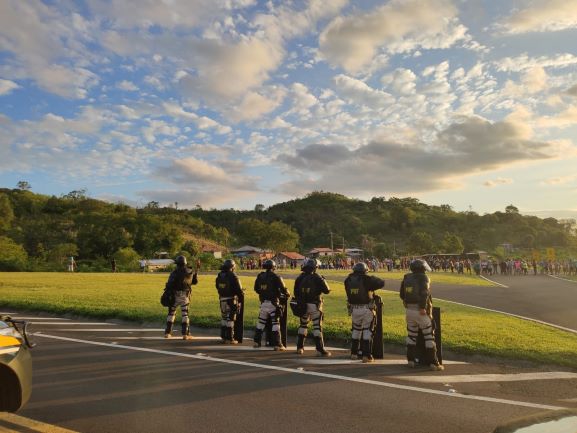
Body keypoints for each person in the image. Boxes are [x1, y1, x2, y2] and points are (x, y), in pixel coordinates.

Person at [399, 259, 444, 371]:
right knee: (429, 336)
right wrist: (423, 307)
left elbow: (401, 294)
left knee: (411, 336)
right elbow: (425, 293)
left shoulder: (406, 277)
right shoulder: (424, 278)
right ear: (422, 268)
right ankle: (434, 362)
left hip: (409, 310)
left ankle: (411, 360)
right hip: (421, 311)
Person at [344, 262, 385, 363]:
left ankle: (354, 353)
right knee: (368, 330)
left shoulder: (348, 280)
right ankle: (367, 355)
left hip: (353, 309)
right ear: (365, 270)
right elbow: (381, 283)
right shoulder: (367, 279)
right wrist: (371, 276)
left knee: (356, 330)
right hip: (366, 309)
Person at [293, 258, 331, 356]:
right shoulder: (317, 277)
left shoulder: (299, 277)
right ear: (315, 267)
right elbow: (327, 290)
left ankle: (299, 347)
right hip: (314, 305)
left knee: (303, 325)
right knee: (317, 327)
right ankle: (320, 349)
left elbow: (295, 293)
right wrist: (323, 279)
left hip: (302, 305)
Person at [252, 259, 290, 351]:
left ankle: (256, 341)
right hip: (274, 303)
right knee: (275, 323)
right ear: (273, 267)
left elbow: (256, 289)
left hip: (263, 303)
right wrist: (287, 293)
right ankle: (278, 344)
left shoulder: (260, 276)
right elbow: (284, 289)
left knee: (261, 322)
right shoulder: (276, 277)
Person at [163, 255, 198, 340]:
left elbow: (170, 284)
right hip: (185, 295)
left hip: (174, 295)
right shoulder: (190, 271)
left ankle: (168, 333)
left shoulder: (174, 272)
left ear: (177, 264)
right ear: (185, 263)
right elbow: (194, 282)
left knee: (171, 313)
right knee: (185, 314)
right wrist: (196, 271)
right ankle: (185, 334)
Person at [215, 259, 244, 344]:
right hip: (231, 300)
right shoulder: (233, 276)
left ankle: (223, 337)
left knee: (224, 318)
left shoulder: (219, 275)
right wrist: (240, 297)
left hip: (222, 299)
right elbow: (239, 290)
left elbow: (217, 286)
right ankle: (231, 338)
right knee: (231, 318)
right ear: (232, 267)